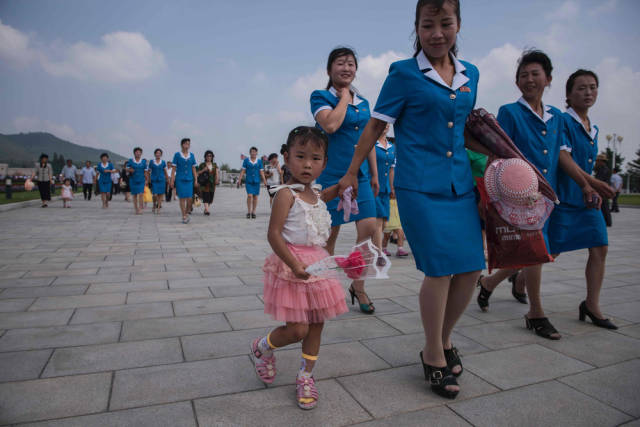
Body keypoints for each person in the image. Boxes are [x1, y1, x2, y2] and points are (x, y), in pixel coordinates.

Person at [338, 0, 488, 398]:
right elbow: (374, 126)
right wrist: (353, 171)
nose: (437, 33)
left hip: (460, 186)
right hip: (418, 186)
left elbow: (465, 132)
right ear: (416, 29)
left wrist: (501, 159)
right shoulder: (403, 74)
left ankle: (442, 338)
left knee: (472, 268)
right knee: (439, 269)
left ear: (458, 25)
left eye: (445, 23)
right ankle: (434, 353)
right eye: (428, 25)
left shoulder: (470, 74)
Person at [475, 50, 602, 341]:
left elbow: (560, 154)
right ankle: (536, 313)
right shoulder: (510, 112)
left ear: (548, 79)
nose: (529, 79)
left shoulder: (557, 116)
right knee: (535, 255)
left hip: (549, 196)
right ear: (517, 82)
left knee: (534, 254)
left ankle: (489, 283)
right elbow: (500, 152)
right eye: (523, 75)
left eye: (535, 74)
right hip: (521, 197)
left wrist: (585, 184)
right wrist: (496, 193)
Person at [249, 126, 346, 410]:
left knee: (316, 325)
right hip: (293, 266)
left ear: (324, 163)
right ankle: (263, 347)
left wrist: (341, 186)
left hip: (318, 265)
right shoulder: (285, 195)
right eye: (300, 156)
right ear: (287, 158)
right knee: (298, 329)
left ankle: (306, 375)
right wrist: (293, 264)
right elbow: (274, 234)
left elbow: (321, 197)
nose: (307, 164)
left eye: (315, 159)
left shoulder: (315, 192)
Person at [310, 46, 379, 314]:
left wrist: (374, 173)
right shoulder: (320, 96)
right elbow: (330, 125)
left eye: (351, 64)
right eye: (340, 63)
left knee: (370, 229)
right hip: (330, 176)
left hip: (359, 176)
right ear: (329, 70)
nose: (347, 68)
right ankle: (324, 287)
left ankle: (358, 285)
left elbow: (368, 139)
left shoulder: (364, 103)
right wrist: (343, 98)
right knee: (329, 236)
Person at [548, 69, 617, 330]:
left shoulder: (593, 127)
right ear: (568, 94)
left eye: (592, 87)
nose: (588, 92)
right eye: (581, 88)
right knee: (548, 252)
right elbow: (563, 157)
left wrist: (591, 187)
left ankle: (592, 304)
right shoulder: (563, 121)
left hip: (587, 200)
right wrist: (593, 183)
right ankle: (494, 282)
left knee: (600, 246)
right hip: (565, 198)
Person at [373, 124, 403, 257]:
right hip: (373, 187)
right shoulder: (371, 145)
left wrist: (392, 188)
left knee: (385, 222)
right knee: (378, 221)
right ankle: (378, 251)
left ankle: (374, 246)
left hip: (385, 188)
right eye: (382, 123)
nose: (384, 126)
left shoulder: (392, 147)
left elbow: (392, 169)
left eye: (386, 124)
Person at [171, 138, 199, 223]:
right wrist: (172, 180)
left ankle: (186, 213)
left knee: (190, 199)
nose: (187, 145)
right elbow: (173, 169)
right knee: (182, 198)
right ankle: (183, 215)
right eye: (186, 143)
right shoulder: (177, 155)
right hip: (180, 179)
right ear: (182, 145)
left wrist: (196, 180)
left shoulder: (192, 155)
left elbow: (194, 168)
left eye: (188, 144)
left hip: (189, 179)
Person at [238, 147, 267, 218]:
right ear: (250, 153)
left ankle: (253, 211)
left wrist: (265, 181)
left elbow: (261, 172)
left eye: (255, 152)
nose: (253, 153)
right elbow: (243, 171)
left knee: (255, 197)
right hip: (249, 181)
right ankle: (248, 211)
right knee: (249, 195)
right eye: (252, 152)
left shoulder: (259, 161)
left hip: (257, 181)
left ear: (257, 153)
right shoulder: (246, 160)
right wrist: (239, 179)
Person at [126, 147, 148, 215]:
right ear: (134, 153)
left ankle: (140, 208)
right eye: (136, 152)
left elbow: (146, 171)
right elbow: (126, 168)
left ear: (141, 153)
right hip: (133, 180)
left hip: (141, 180)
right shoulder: (130, 160)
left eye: (139, 152)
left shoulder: (144, 162)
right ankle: (136, 208)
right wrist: (130, 170)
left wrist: (147, 179)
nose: (138, 153)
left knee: (141, 194)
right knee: (134, 195)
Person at [197, 150, 219, 216]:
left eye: (210, 156)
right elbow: (197, 173)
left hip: (212, 184)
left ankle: (206, 209)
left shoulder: (214, 165)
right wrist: (204, 170)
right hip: (204, 183)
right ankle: (207, 210)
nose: (209, 157)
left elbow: (216, 173)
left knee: (210, 199)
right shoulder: (202, 165)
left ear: (212, 157)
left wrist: (217, 179)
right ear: (205, 157)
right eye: (207, 156)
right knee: (206, 196)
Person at [149, 149, 169, 214]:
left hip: (162, 180)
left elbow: (165, 171)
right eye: (157, 153)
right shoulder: (151, 162)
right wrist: (148, 179)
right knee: (154, 194)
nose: (158, 154)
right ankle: (154, 204)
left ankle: (158, 208)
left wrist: (167, 179)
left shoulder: (163, 162)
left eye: (159, 153)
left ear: (161, 154)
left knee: (160, 194)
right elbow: (149, 171)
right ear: (155, 154)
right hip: (154, 180)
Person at [594, 153, 612, 227]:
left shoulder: (603, 169)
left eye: (597, 161)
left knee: (604, 207)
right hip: (603, 190)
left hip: (602, 190)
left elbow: (599, 180)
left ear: (601, 161)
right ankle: (607, 221)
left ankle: (607, 221)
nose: (596, 162)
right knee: (604, 206)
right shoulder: (603, 169)